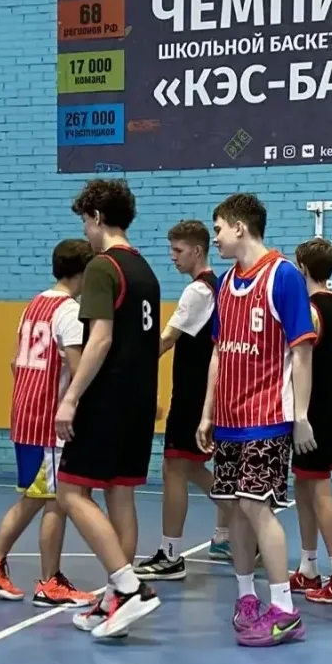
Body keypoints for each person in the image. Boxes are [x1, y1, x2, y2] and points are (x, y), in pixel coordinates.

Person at [197, 192, 316, 648]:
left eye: (219, 229)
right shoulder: (226, 282)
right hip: (229, 417)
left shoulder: (283, 276)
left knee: (255, 505)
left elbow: (301, 352)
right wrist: (207, 411)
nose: (216, 238)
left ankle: (284, 609)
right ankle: (246, 597)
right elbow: (218, 353)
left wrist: (300, 415)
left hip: (267, 416)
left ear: (240, 227)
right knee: (235, 508)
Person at [54, 178, 162, 640]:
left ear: (97, 217)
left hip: (107, 399)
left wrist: (71, 397)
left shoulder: (102, 266)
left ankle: (129, 586)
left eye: (85, 220)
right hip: (138, 399)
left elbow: (100, 339)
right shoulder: (146, 271)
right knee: (121, 493)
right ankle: (118, 594)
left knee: (70, 493)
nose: (85, 229)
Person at [0, 238, 96, 608]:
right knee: (56, 499)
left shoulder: (34, 304)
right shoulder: (70, 311)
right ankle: (49, 581)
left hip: (25, 414)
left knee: (35, 497)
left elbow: (15, 362)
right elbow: (80, 370)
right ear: (84, 272)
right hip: (49, 421)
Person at [135, 219, 233, 582]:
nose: (173, 257)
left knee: (174, 467)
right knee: (191, 468)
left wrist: (126, 365)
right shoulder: (219, 286)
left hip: (192, 396)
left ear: (196, 250)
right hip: (204, 393)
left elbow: (164, 340)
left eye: (178, 251)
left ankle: (171, 554)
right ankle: (245, 527)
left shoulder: (197, 291)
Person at [288, 238, 332, 605]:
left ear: (302, 268)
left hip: (316, 414)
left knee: (320, 489)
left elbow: (299, 360)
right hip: (330, 409)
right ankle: (309, 566)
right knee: (303, 485)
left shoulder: (313, 310)